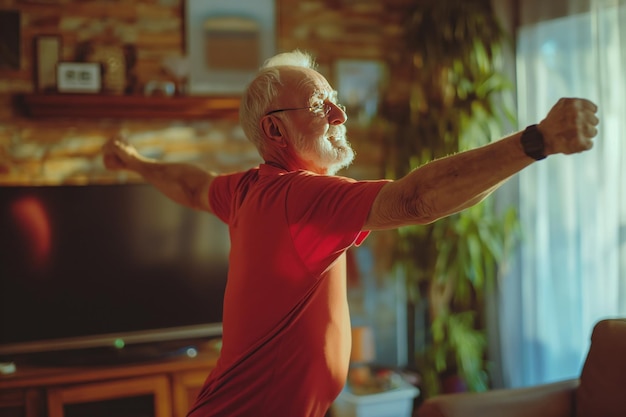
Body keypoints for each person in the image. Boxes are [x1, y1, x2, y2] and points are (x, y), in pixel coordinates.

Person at [102, 50, 599, 417]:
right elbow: (415, 200)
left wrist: (133, 161)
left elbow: (192, 186)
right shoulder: (300, 197)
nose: (340, 116)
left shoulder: (249, 189)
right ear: (275, 131)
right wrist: (537, 141)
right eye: (321, 105)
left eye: (335, 100)